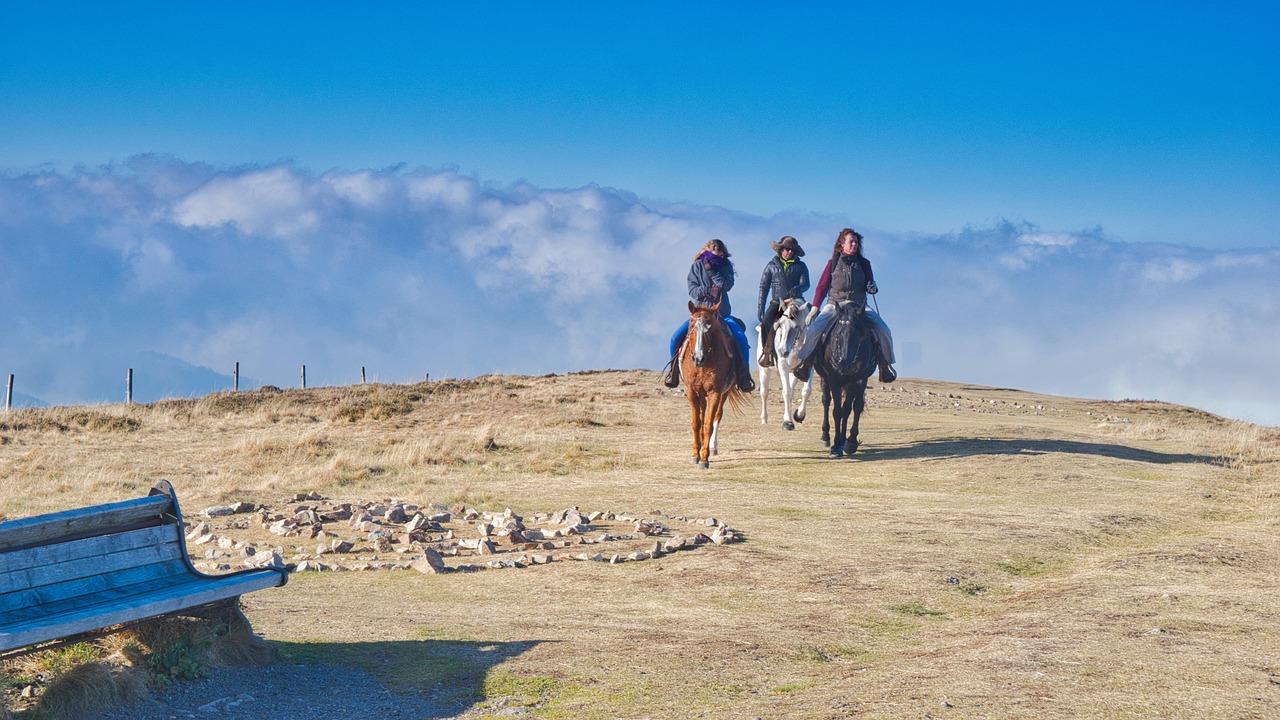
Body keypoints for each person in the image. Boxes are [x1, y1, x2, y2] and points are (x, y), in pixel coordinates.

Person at [793, 228, 896, 383]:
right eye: (851, 242)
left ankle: (885, 365)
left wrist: (872, 287)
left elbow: (870, 284)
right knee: (814, 329)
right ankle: (805, 364)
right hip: (835, 305)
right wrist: (815, 308)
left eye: (856, 242)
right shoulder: (832, 263)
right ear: (842, 243)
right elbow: (822, 287)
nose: (855, 244)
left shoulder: (864, 264)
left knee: (883, 330)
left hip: (859, 306)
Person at [662, 239, 755, 391]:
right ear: (708, 252)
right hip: (701, 314)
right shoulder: (697, 266)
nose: (719, 258)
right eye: (715, 256)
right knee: (674, 338)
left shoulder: (726, 266)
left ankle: (744, 375)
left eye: (721, 255)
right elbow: (692, 290)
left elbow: (727, 286)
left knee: (741, 339)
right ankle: (674, 372)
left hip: (722, 314)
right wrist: (707, 291)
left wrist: (713, 273)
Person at [756, 235, 811, 367]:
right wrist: (760, 307)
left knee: (813, 321)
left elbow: (806, 284)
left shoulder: (801, 266)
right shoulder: (771, 265)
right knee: (766, 323)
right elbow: (764, 287)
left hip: (796, 301)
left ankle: (810, 357)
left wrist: (798, 289)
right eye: (787, 249)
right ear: (780, 250)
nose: (790, 252)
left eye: (792, 250)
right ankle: (767, 353)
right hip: (777, 302)